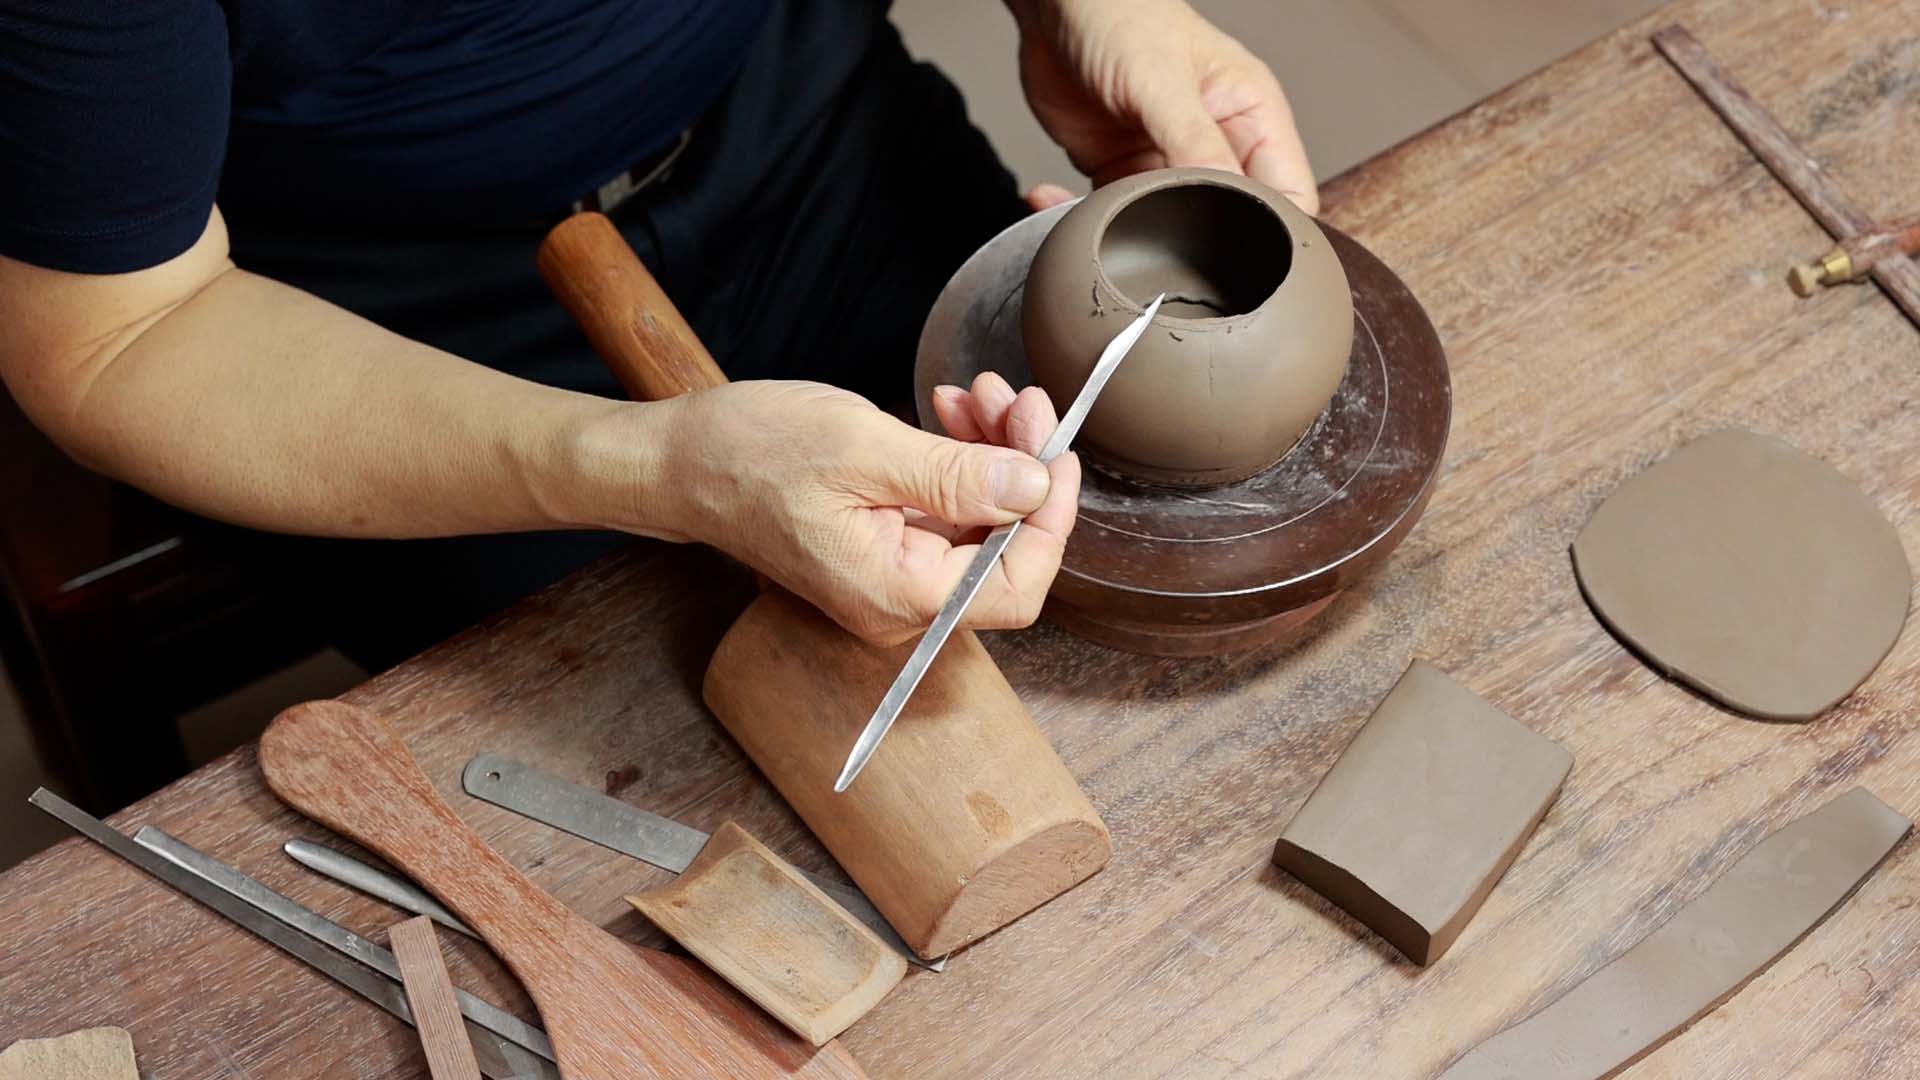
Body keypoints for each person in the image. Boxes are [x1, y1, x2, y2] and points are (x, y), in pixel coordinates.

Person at [0, 0, 1314, 669]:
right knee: (700, 816)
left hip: (807, 117)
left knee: (1138, 593)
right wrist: (654, 465)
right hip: (378, 318)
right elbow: (118, 336)